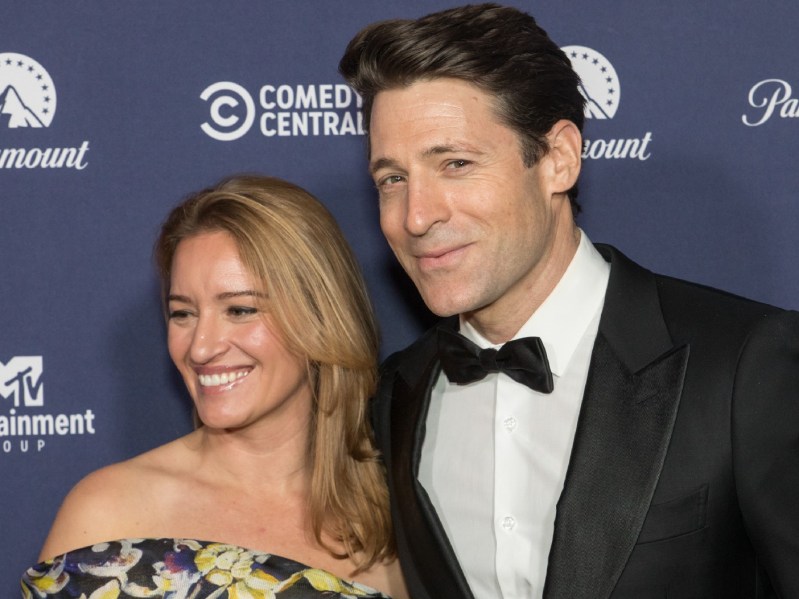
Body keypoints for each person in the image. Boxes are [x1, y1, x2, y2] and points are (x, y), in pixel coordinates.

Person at [339, 4, 799, 599]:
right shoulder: (396, 395)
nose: (416, 216)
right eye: (391, 180)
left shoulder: (742, 365)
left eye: (455, 164)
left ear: (558, 158)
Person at [21, 175, 408, 599]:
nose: (201, 348)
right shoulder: (109, 513)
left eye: (240, 309)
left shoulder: (406, 516)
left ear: (321, 316)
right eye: (183, 314)